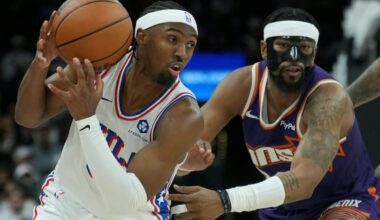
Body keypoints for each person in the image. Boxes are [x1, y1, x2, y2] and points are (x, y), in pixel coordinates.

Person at [169, 7, 380, 220]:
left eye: (304, 47)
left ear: (314, 53)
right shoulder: (241, 85)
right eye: (283, 45)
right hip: (283, 206)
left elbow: (303, 182)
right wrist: (183, 163)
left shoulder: (328, 99)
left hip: (346, 199)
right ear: (264, 49)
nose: (294, 57)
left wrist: (225, 200)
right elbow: (178, 151)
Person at [14, 1, 203, 219]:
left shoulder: (183, 115)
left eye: (190, 44)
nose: (182, 52)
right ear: (142, 37)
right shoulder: (102, 63)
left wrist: (86, 120)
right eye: (172, 39)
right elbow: (27, 116)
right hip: (66, 203)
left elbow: (123, 205)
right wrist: (41, 62)